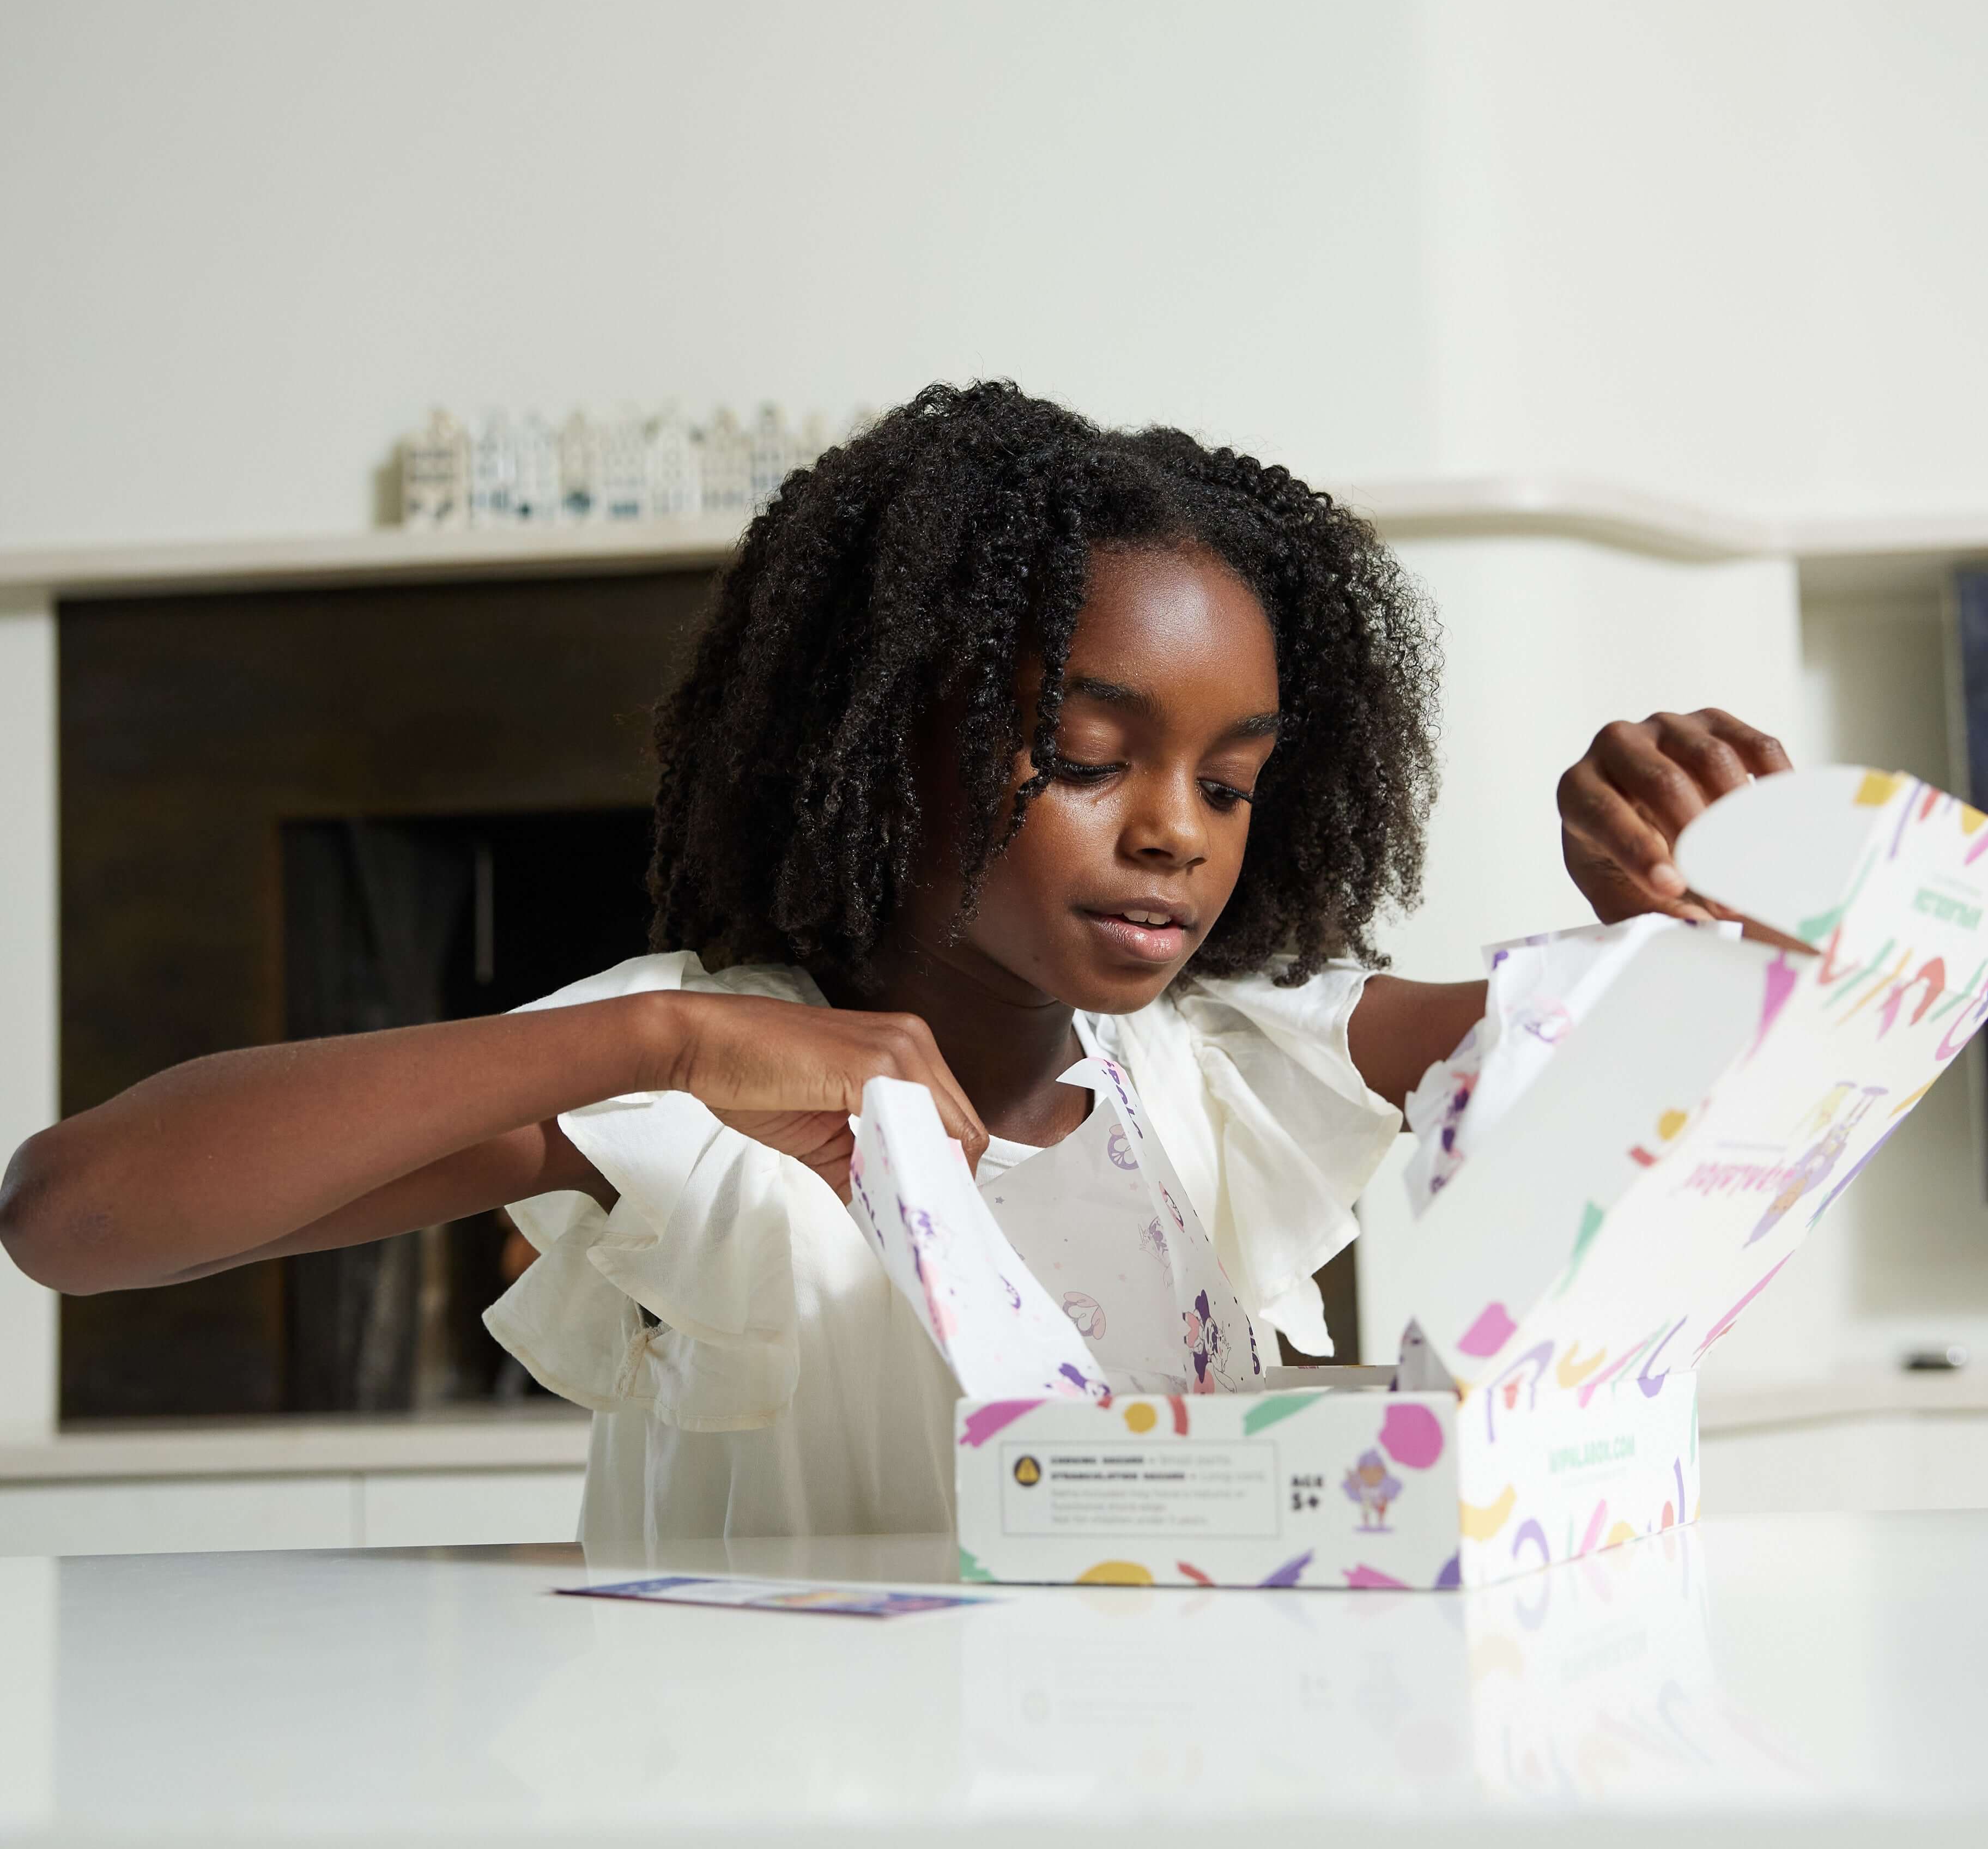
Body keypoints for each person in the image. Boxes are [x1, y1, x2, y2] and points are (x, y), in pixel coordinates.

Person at [0, 382, 1790, 1547]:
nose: (1175, 831)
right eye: (1087, 759)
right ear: (874, 743)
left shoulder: (1221, 1066)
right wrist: (662, 1042)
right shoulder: (699, 1089)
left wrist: (1677, 892)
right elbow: (74, 1215)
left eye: (1231, 782)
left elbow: (1667, 1035)